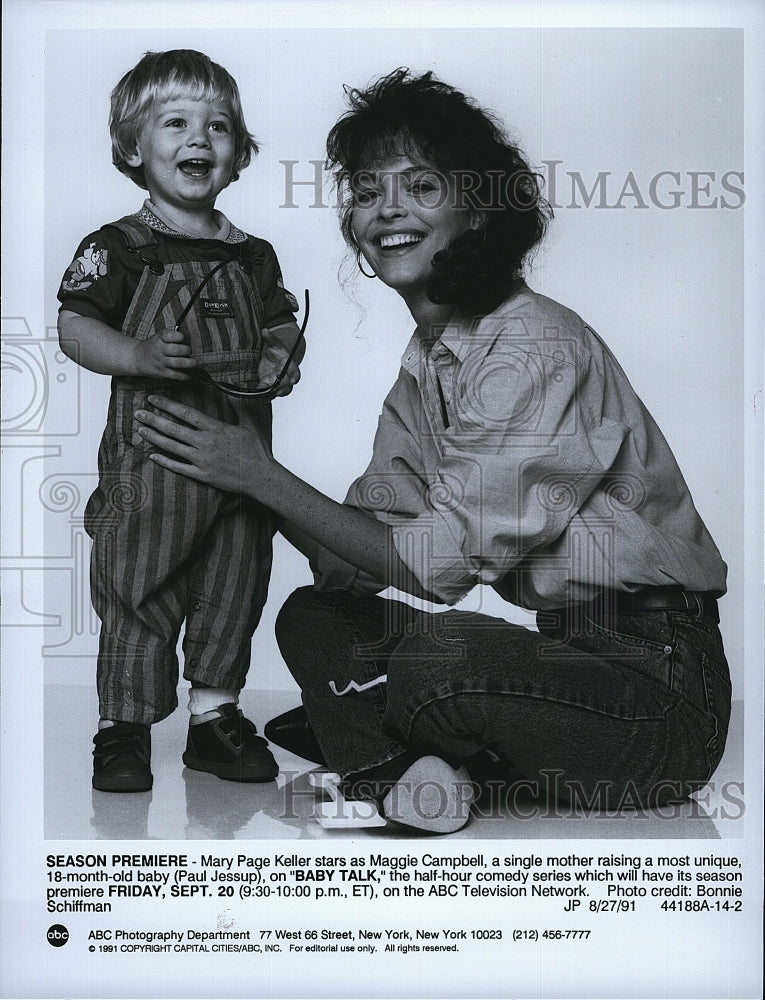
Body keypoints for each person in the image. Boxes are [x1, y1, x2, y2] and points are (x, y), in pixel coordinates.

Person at [136, 68, 731, 834]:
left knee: (438, 654)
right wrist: (235, 450)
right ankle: (414, 767)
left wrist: (258, 476)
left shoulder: (533, 342)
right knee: (314, 617)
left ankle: (383, 749)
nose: (385, 210)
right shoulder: (426, 367)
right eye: (365, 189)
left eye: (419, 187)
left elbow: (433, 570)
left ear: (477, 209)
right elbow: (352, 562)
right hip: (554, 667)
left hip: (657, 698)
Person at [57, 49, 304, 792]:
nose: (200, 138)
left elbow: (282, 326)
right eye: (176, 123)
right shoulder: (119, 248)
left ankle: (214, 716)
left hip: (238, 464)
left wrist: (281, 356)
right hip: (151, 467)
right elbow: (73, 327)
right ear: (134, 148)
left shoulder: (253, 256)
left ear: (238, 156)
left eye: (219, 126)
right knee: (137, 585)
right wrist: (133, 351)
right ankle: (122, 727)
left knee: (234, 581)